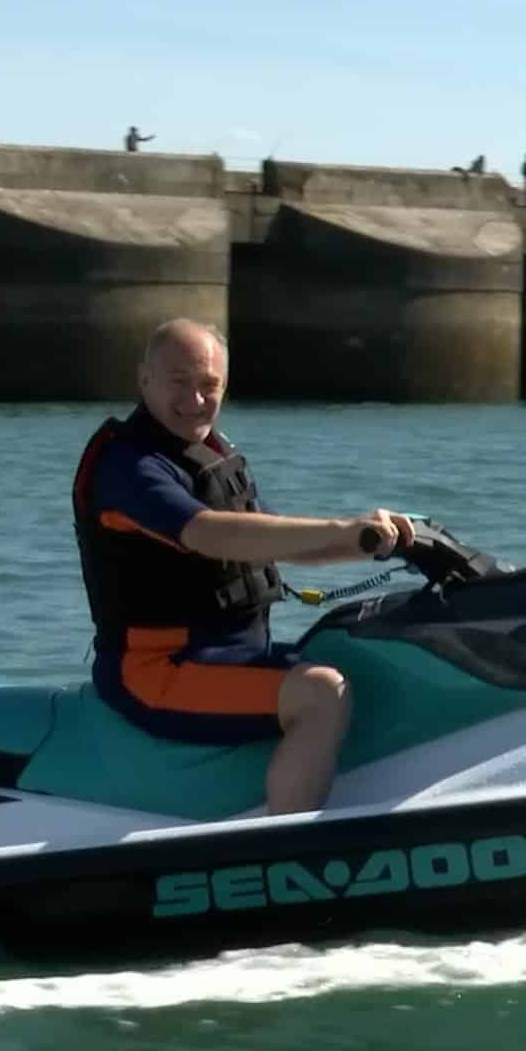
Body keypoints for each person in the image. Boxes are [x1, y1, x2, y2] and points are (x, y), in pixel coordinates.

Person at [70, 319, 414, 814]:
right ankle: (289, 854)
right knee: (322, 694)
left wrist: (379, 543)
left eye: (209, 386)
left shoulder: (208, 454)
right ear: (144, 379)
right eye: (179, 383)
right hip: (157, 670)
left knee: (366, 647)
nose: (195, 399)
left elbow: (269, 540)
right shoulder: (130, 466)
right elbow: (208, 533)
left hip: (227, 655)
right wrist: (345, 528)